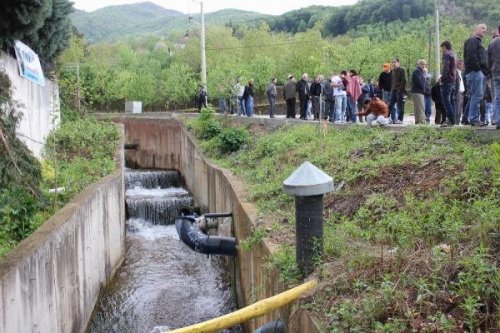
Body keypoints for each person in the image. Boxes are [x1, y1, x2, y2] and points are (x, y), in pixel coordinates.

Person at [464, 23, 488, 126]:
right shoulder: (472, 41)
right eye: (482, 28)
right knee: (476, 96)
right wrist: (478, 69)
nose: (485, 30)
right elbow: (471, 56)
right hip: (475, 72)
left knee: (476, 96)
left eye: (485, 29)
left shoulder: (477, 42)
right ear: (476, 29)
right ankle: (474, 119)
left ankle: (471, 118)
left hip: (477, 72)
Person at [439, 41, 457, 127]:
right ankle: (453, 119)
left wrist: (442, 78)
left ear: (445, 47)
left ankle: (451, 120)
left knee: (446, 101)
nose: (441, 50)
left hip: (447, 80)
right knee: (451, 101)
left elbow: (445, 68)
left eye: (442, 48)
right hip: (453, 80)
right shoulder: (453, 54)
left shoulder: (447, 55)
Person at [488, 26, 500, 129]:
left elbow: (488, 59)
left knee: (497, 98)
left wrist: (491, 72)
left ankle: (498, 121)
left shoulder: (492, 43)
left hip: (495, 73)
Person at [388, 58, 407, 124]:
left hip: (400, 91)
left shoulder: (402, 70)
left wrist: (400, 90)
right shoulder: (392, 71)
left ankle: (400, 119)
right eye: (392, 62)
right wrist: (392, 89)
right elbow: (392, 81)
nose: (393, 63)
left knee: (400, 105)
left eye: (395, 62)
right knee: (390, 105)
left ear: (398, 62)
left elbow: (404, 80)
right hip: (393, 90)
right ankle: (386, 118)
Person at [411, 59, 429, 124]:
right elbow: (420, 82)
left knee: (418, 107)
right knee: (421, 107)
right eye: (422, 64)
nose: (423, 65)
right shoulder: (417, 71)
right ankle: (422, 121)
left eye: (424, 64)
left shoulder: (421, 72)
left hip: (418, 92)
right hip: (417, 92)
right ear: (418, 64)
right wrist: (424, 89)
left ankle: (418, 121)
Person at [455, 60, 466, 125]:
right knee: (457, 108)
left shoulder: (460, 73)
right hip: (458, 92)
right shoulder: (456, 73)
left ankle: (458, 121)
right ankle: (456, 122)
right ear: (458, 65)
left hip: (462, 93)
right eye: (462, 64)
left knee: (460, 108)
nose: (463, 66)